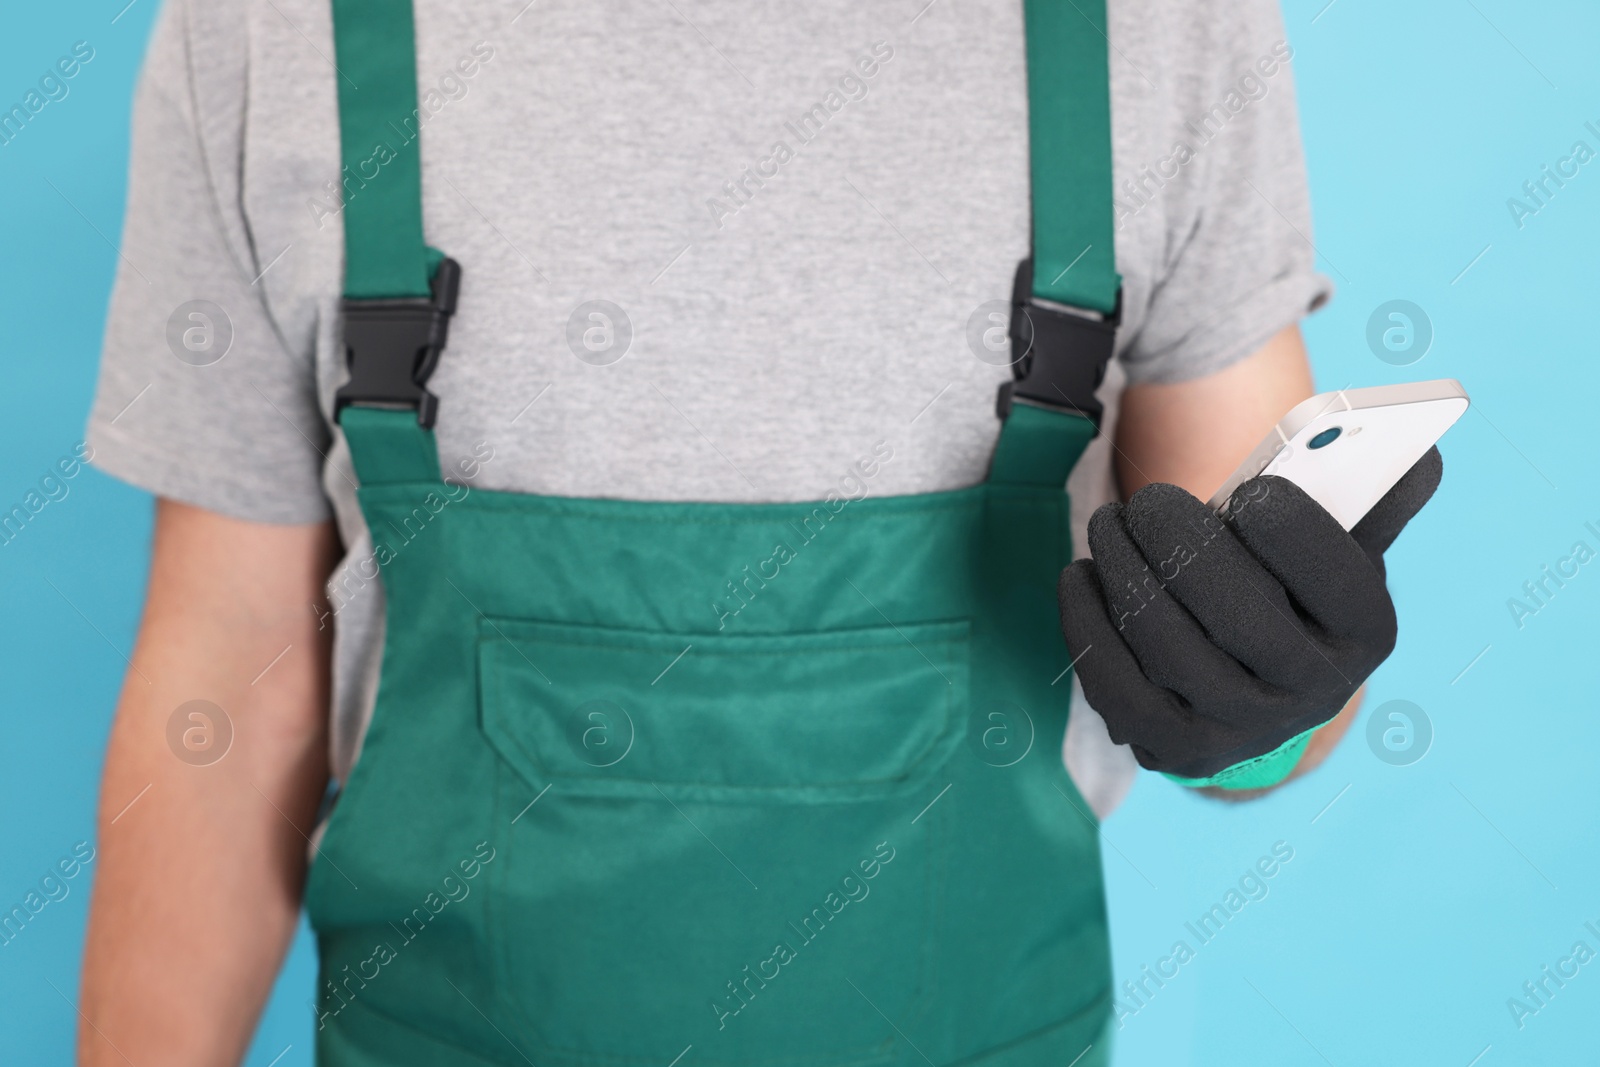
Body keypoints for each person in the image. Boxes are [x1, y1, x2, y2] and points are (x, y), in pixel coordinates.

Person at [78, 0, 1439, 1064]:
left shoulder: (1157, 22)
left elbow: (1250, 689)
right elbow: (229, 671)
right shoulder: (280, 24)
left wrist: (1278, 693)